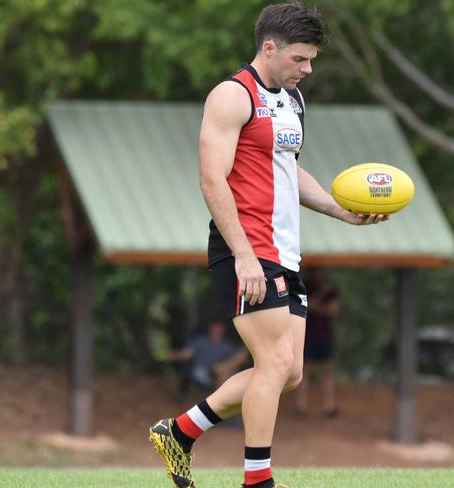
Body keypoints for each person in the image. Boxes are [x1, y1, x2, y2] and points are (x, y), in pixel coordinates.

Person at [149, 4, 388, 488]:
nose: (308, 68)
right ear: (269, 47)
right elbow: (211, 179)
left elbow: (289, 171)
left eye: (312, 59)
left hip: (284, 250)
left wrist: (342, 211)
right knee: (274, 365)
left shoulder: (293, 103)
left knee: (289, 373)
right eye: (300, 58)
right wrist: (243, 255)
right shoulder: (232, 96)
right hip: (246, 249)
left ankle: (180, 431)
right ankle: (258, 480)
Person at [294, 267, 340, 418]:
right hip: (307, 335)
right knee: (304, 371)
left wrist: (316, 307)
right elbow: (306, 306)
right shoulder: (304, 287)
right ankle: (301, 407)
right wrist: (322, 295)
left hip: (325, 336)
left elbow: (333, 310)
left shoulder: (331, 288)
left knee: (327, 371)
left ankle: (329, 407)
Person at [173, 319, 250, 399]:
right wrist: (170, 355)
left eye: (219, 328)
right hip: (201, 371)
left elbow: (237, 359)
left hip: (219, 373)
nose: (216, 330)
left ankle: (221, 398)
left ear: (223, 330)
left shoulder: (227, 346)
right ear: (210, 329)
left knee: (224, 373)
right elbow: (187, 354)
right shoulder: (201, 341)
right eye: (215, 328)